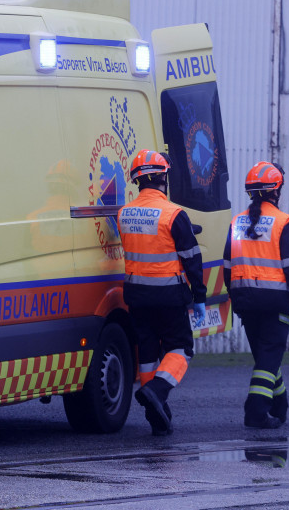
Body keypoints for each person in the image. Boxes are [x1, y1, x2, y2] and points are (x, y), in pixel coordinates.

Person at [118, 150, 206, 435]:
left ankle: (157, 416)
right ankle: (157, 390)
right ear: (163, 177)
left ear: (137, 180)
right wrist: (200, 296)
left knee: (147, 351)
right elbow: (192, 258)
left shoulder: (124, 213)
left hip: (136, 296)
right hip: (169, 295)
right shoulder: (174, 214)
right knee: (181, 348)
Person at [224, 161, 289, 429]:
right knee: (269, 355)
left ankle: (279, 405)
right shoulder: (285, 222)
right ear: (276, 191)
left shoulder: (236, 222)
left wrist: (234, 297)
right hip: (275, 301)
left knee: (265, 358)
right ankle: (256, 411)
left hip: (245, 299)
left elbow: (227, 265)